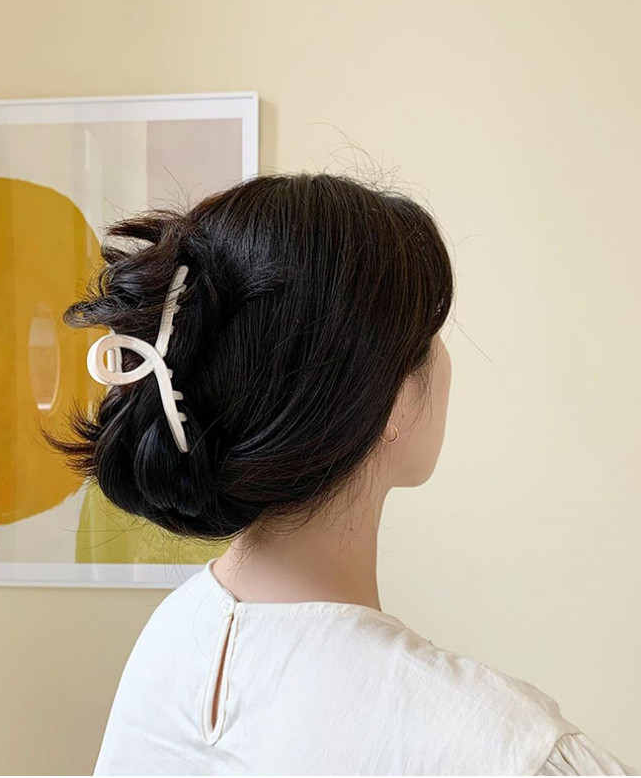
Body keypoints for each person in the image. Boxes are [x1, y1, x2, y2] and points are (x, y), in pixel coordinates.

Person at [45, 172, 636, 775]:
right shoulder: (504, 748)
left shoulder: (171, 636)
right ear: (389, 401)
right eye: (430, 336)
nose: (445, 360)